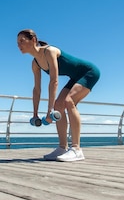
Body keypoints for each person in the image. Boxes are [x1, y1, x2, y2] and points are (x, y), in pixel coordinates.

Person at [17, 29, 100, 162]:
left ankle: (77, 149)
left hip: (89, 72)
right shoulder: (35, 63)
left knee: (68, 101)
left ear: (33, 40)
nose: (19, 45)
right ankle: (62, 148)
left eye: (22, 41)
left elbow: (54, 81)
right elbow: (37, 89)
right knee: (58, 105)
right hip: (75, 77)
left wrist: (50, 110)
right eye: (17, 43)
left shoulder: (49, 51)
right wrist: (35, 114)